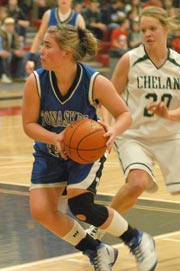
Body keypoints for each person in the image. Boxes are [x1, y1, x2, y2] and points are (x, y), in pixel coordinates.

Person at [22, 24, 157, 271]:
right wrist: (56, 138)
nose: (40, 50)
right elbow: (29, 125)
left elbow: (124, 114)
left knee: (81, 208)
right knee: (41, 211)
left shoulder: (94, 81)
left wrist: (112, 131)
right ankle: (97, 250)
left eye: (47, 45)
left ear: (67, 53)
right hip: (49, 152)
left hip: (83, 154)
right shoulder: (36, 82)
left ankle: (137, 239)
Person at [87, 6, 180, 241]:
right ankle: (100, 226)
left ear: (166, 30)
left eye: (153, 29)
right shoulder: (130, 60)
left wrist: (167, 115)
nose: (148, 34)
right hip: (134, 134)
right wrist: (110, 129)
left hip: (170, 136)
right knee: (137, 182)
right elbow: (108, 98)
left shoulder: (178, 64)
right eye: (143, 29)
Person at [26, 0, 86, 74]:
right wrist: (31, 58)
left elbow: (83, 42)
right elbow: (39, 37)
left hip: (68, 60)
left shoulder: (78, 18)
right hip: (50, 58)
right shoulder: (48, 14)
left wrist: (80, 62)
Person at [0, 17, 27, 83]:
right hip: (6, 51)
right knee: (7, 55)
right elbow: (4, 47)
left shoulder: (13, 33)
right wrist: (14, 51)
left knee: (23, 55)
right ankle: (5, 75)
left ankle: (19, 75)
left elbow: (16, 44)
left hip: (10, 51)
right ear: (6, 25)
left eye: (12, 25)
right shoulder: (1, 33)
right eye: (9, 25)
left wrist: (18, 50)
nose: (11, 27)